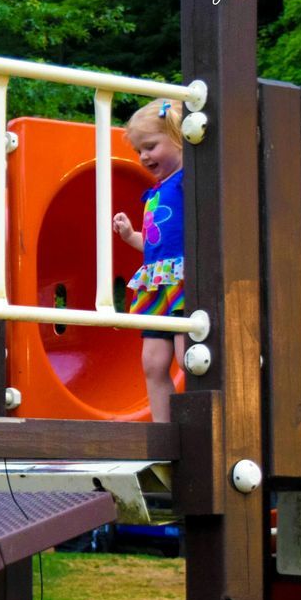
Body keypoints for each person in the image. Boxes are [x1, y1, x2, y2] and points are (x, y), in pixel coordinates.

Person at [112, 98, 186, 424]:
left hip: (184, 280)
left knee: (188, 358)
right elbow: (156, 244)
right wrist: (130, 237)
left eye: (151, 146)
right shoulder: (155, 191)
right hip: (156, 282)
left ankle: (203, 427)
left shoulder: (189, 180)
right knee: (153, 363)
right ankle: (163, 434)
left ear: (179, 137)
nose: (144, 157)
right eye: (138, 150)